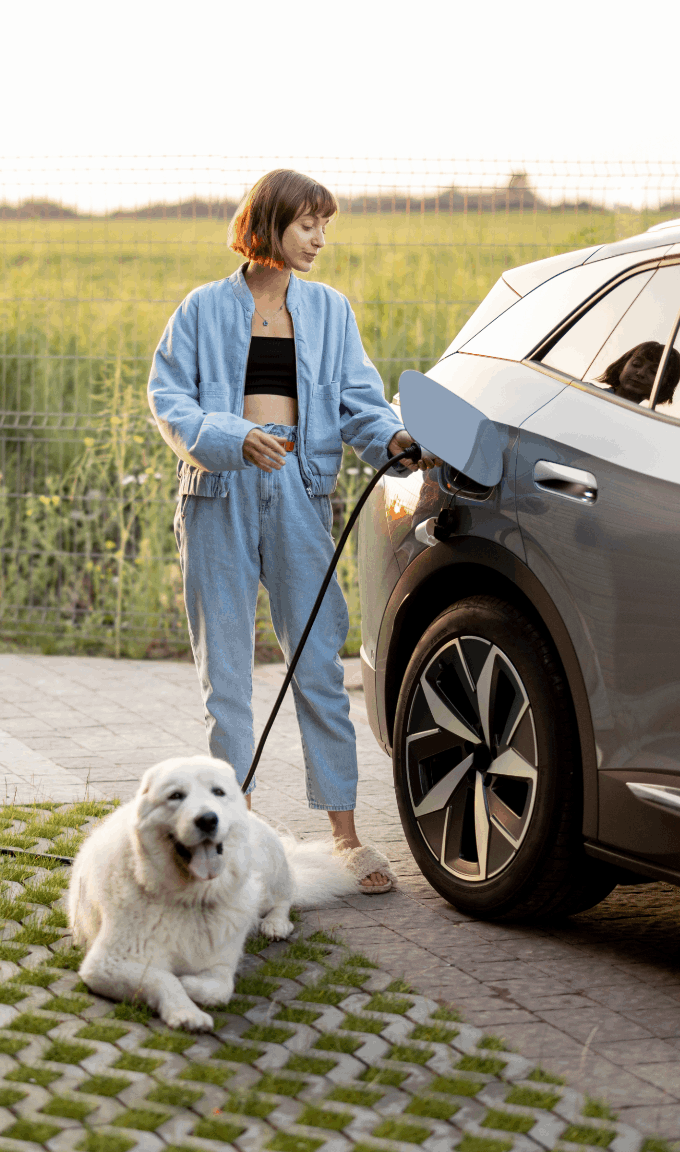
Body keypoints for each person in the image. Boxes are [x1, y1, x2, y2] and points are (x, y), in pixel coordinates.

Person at [146, 169, 440, 894]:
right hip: (218, 488)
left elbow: (358, 403)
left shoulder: (331, 311)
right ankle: (232, 838)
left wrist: (394, 442)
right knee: (230, 679)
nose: (318, 239)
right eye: (307, 224)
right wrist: (231, 436)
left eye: (324, 227)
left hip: (302, 494)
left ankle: (345, 838)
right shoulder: (203, 308)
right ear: (268, 223)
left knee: (315, 665)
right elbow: (168, 398)